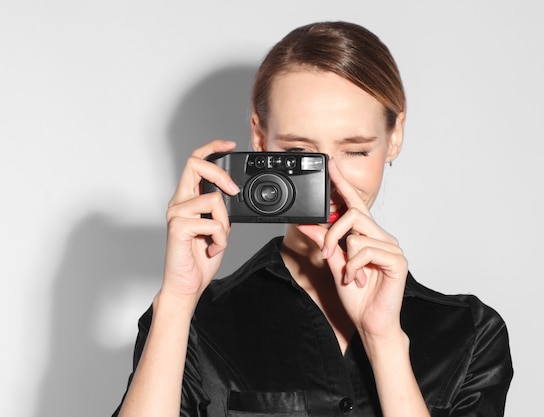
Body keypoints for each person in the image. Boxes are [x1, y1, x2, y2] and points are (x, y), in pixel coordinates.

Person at [113, 21, 513, 417]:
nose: (328, 182)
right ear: (259, 138)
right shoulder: (192, 323)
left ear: (394, 136)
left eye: (355, 151)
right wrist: (179, 301)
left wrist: (384, 342)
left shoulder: (470, 333)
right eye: (299, 154)